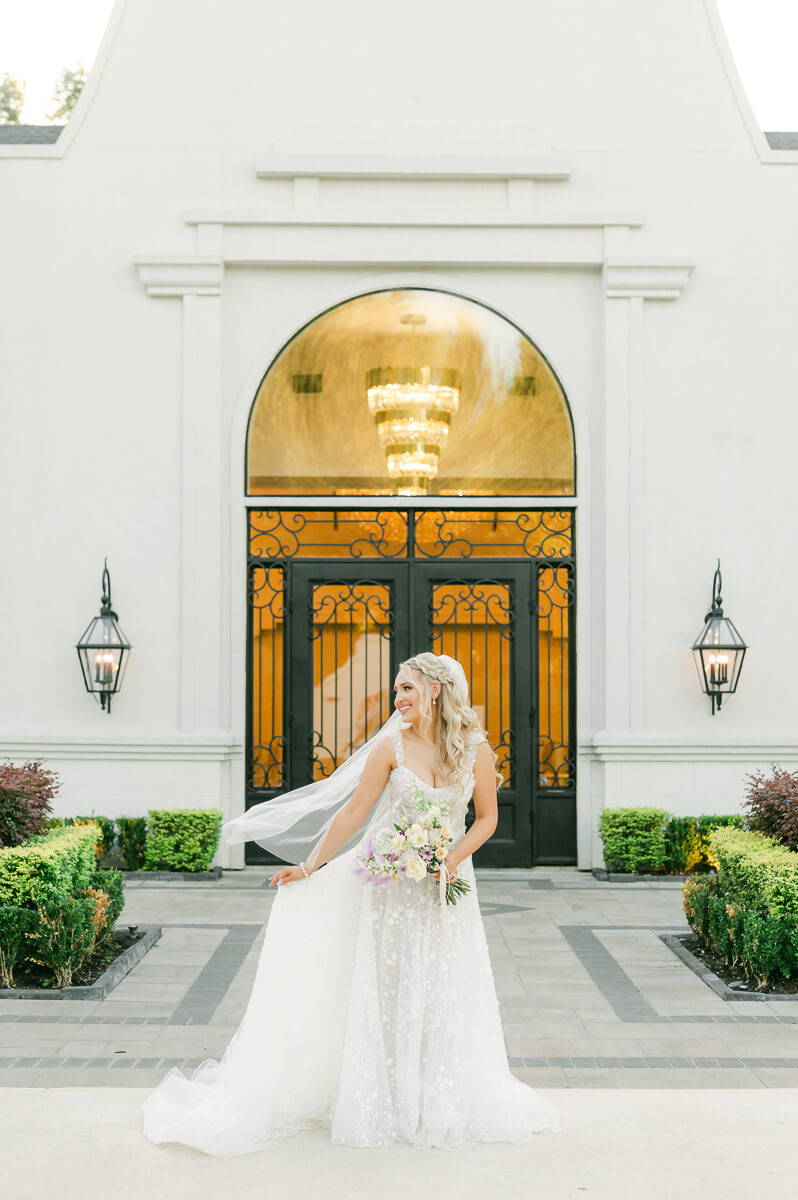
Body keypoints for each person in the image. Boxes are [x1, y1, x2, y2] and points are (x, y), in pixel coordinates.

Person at [141, 652, 561, 1153]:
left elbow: (486, 819)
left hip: (445, 883)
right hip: (388, 885)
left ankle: (435, 1096)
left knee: (442, 984)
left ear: (434, 689)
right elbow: (353, 813)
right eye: (395, 690)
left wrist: (450, 857)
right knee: (385, 988)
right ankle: (382, 1096)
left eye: (406, 688)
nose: (397, 698)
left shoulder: (476, 750)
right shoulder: (391, 747)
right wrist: (309, 865)